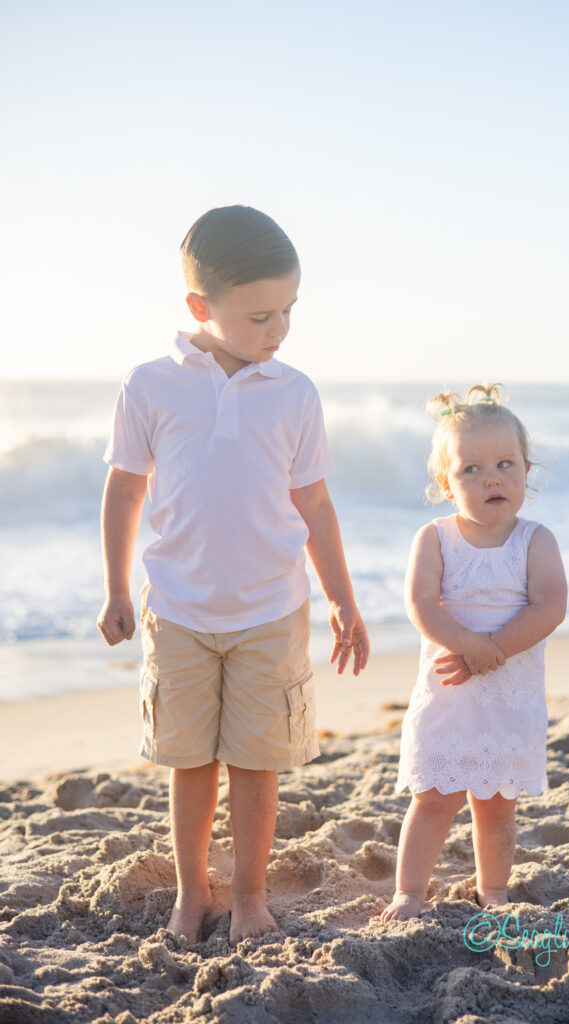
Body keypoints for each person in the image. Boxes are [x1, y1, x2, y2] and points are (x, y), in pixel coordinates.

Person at [98, 205, 369, 945]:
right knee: (190, 763)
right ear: (200, 308)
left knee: (256, 766)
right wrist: (119, 589)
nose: (277, 330)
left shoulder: (294, 392)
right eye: (258, 316)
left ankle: (249, 895)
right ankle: (195, 893)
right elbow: (125, 487)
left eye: (287, 311)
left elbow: (312, 501)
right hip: (178, 608)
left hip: (272, 610)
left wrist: (343, 602)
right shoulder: (151, 384)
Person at [381, 383, 566, 921]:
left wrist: (494, 650)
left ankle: (494, 891)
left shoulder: (535, 540)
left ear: (526, 472)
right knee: (434, 796)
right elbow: (420, 603)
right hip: (449, 691)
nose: (491, 477)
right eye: (471, 469)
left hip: (507, 691)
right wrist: (467, 645)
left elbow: (549, 606)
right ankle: (410, 892)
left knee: (497, 804)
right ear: (445, 483)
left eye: (506, 464)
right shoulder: (435, 537)